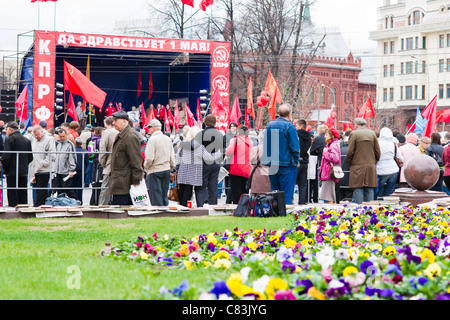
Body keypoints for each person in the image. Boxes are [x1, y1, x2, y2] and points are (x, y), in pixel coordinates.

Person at [261, 104, 300, 205]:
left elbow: (266, 144)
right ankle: (284, 212)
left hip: (272, 163)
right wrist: (296, 160)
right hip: (286, 163)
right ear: (289, 114)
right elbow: (295, 147)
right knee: (286, 193)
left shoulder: (269, 125)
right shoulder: (290, 126)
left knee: (274, 192)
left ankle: (274, 211)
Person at [176, 126, 222, 207]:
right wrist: (219, 153)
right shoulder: (200, 147)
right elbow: (209, 158)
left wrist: (177, 168)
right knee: (188, 193)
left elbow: (178, 158)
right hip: (194, 172)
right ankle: (186, 209)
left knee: (183, 192)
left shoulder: (183, 144)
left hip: (182, 171)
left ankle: (181, 208)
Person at [110, 111, 143, 205]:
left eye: (116, 120)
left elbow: (136, 160)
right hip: (121, 182)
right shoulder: (123, 135)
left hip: (125, 183)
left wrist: (136, 181)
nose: (113, 123)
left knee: (123, 211)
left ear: (125, 121)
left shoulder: (130, 136)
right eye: (113, 120)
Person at [346, 118, 381, 204]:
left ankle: (359, 210)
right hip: (370, 165)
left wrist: (349, 162)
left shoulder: (354, 134)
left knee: (358, 188)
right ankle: (370, 210)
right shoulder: (372, 134)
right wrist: (373, 161)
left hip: (356, 165)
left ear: (356, 125)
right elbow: (378, 152)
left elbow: (350, 151)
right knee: (369, 188)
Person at [193, 115, 224, 207]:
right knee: (213, 186)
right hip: (215, 162)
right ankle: (213, 206)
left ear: (205, 123)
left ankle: (200, 205)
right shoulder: (220, 134)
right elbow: (223, 149)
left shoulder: (201, 134)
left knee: (201, 186)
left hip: (203, 162)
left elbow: (195, 148)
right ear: (215, 123)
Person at [144, 119, 175, 206]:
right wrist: (171, 168)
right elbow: (172, 157)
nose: (148, 130)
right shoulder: (167, 139)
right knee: (164, 196)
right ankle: (165, 214)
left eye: (149, 127)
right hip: (166, 169)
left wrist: (146, 167)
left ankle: (157, 216)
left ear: (153, 128)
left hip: (154, 170)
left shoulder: (152, 140)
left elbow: (149, 158)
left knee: (155, 198)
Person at [1, 122, 33, 207]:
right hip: (23, 170)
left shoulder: (10, 139)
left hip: (11, 171)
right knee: (22, 191)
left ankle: (13, 207)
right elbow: (30, 157)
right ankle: (24, 207)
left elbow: (6, 156)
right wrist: (24, 164)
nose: (5, 131)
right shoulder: (26, 140)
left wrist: (4, 166)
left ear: (10, 130)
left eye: (6, 129)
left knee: (12, 192)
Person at [225, 125, 253, 204]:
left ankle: (237, 208)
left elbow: (228, 152)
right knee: (245, 191)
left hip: (236, 169)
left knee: (236, 191)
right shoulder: (250, 141)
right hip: (247, 169)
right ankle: (244, 207)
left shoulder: (235, 140)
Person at [30, 125, 56, 207]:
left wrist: (43, 163)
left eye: (37, 135)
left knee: (42, 188)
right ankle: (39, 203)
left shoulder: (49, 139)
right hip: (37, 168)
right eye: (35, 135)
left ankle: (39, 204)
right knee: (39, 188)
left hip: (45, 169)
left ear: (42, 132)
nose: (36, 137)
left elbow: (52, 155)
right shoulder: (34, 140)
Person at [376, 127, 403, 199]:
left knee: (380, 190)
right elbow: (400, 157)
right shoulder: (393, 144)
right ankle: (389, 204)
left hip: (380, 169)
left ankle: (380, 204)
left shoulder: (377, 144)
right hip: (393, 170)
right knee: (390, 190)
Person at [98, 117, 119, 206]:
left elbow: (103, 150)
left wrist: (103, 163)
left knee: (105, 188)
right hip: (121, 165)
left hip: (109, 165)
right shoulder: (120, 131)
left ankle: (102, 207)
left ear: (107, 124)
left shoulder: (107, 132)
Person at [318, 127, 341, 204]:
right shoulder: (332, 144)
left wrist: (325, 152)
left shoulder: (332, 145)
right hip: (328, 173)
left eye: (326, 134)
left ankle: (329, 214)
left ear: (332, 136)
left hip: (328, 174)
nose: (324, 136)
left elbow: (335, 158)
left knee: (329, 197)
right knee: (330, 196)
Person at [53, 128, 78, 200]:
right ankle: (62, 202)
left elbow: (72, 158)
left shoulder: (70, 145)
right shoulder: (58, 145)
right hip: (58, 171)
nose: (62, 138)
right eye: (60, 136)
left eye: (63, 136)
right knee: (59, 190)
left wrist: (71, 170)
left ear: (66, 135)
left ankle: (76, 200)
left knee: (67, 189)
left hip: (66, 171)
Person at [249, 131, 271, 197]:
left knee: (257, 198)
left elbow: (252, 162)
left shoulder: (256, 149)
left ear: (260, 139)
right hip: (271, 175)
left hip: (258, 175)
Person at [309, 125, 327, 203]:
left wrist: (317, 151)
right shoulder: (331, 138)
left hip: (320, 162)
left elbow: (311, 151)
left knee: (316, 181)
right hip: (330, 163)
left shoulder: (318, 138)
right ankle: (327, 199)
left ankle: (316, 199)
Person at [296, 119, 312, 205]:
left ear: (301, 126)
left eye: (297, 126)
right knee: (303, 184)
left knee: (292, 182)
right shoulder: (308, 136)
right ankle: (302, 202)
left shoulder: (296, 134)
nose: (296, 127)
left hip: (297, 160)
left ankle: (290, 201)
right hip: (305, 161)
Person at [88, 127, 104, 205]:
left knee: (94, 182)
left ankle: (93, 201)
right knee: (98, 183)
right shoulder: (99, 140)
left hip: (94, 161)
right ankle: (96, 202)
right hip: (99, 162)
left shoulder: (92, 139)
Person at [73, 137, 89, 204]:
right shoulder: (84, 152)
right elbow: (87, 162)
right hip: (81, 171)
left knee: (73, 187)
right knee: (80, 188)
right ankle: (80, 201)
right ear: (81, 144)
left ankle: (73, 200)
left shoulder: (73, 151)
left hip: (73, 170)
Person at [339, 131, 352, 201]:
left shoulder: (339, 150)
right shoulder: (353, 152)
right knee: (349, 198)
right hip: (350, 178)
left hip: (340, 177)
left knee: (340, 197)